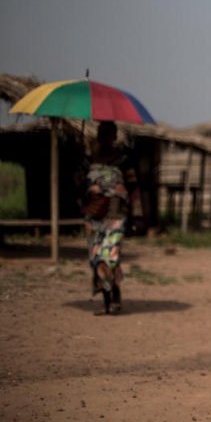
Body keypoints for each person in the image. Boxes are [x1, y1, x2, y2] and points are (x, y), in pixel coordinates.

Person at [77, 121, 143, 315]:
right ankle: (108, 300)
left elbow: (133, 189)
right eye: (101, 133)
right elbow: (78, 189)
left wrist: (137, 215)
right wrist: (83, 200)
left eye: (108, 134)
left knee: (111, 256)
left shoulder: (123, 161)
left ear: (115, 137)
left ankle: (115, 293)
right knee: (96, 258)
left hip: (115, 211)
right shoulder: (88, 162)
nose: (104, 138)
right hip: (93, 214)